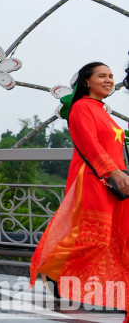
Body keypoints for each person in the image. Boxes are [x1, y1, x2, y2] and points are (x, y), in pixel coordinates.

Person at [30, 62, 129, 313]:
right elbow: (89, 144)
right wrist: (114, 172)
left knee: (115, 237)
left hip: (114, 181)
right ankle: (53, 272)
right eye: (102, 76)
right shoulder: (81, 108)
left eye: (111, 76)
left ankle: (115, 290)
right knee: (93, 237)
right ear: (86, 81)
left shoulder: (102, 110)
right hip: (95, 179)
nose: (109, 80)